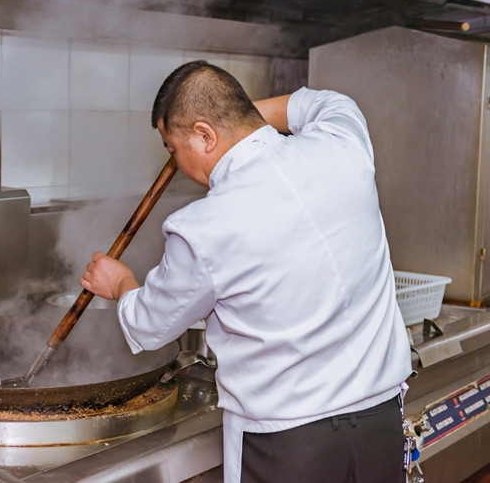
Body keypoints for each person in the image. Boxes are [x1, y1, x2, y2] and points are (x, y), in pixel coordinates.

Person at [80, 60, 413, 483]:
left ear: (204, 135)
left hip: (287, 447)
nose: (176, 162)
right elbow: (321, 103)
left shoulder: (204, 227)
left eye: (172, 148)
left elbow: (149, 325)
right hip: (379, 425)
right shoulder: (341, 143)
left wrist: (119, 283)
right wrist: (235, 112)